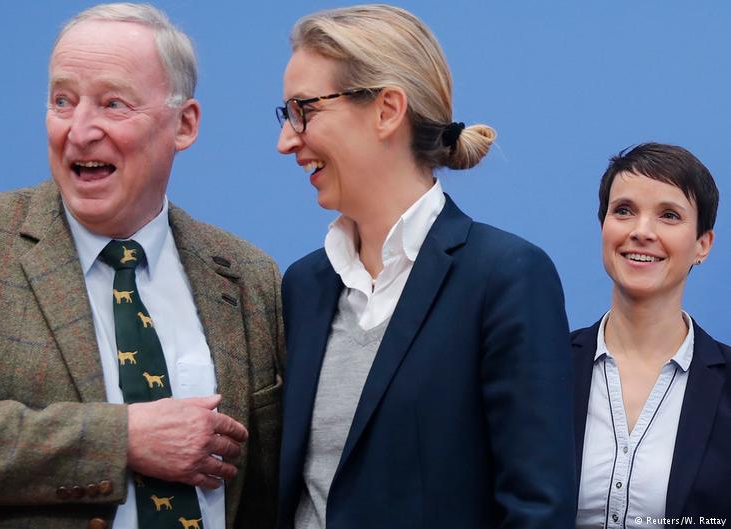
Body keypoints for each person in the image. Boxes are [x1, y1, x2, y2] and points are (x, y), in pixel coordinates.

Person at [0, 4, 283, 529]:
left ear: (184, 124)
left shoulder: (247, 276)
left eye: (112, 104)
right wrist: (121, 439)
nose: (80, 131)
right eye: (63, 101)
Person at [274, 5, 576, 529]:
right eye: (286, 116)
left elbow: (537, 510)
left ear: (388, 109)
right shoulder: (303, 286)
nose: (287, 140)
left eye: (305, 110)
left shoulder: (505, 277)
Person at [572, 143, 730, 527]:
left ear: (702, 245)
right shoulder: (542, 367)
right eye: (623, 210)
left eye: (669, 215)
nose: (642, 232)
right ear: (603, 226)